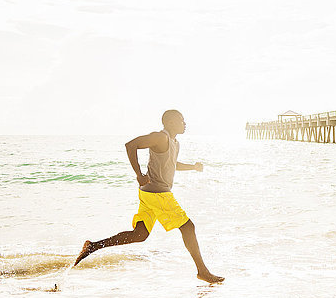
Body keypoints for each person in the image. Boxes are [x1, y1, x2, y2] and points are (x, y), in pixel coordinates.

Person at [73, 110, 224, 283]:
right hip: (158, 193)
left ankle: (93, 246)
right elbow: (131, 145)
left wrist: (193, 167)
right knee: (188, 228)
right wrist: (138, 173)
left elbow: (172, 164)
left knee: (139, 234)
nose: (185, 123)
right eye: (181, 120)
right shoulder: (160, 137)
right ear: (171, 122)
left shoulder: (175, 142)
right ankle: (202, 272)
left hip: (149, 194)